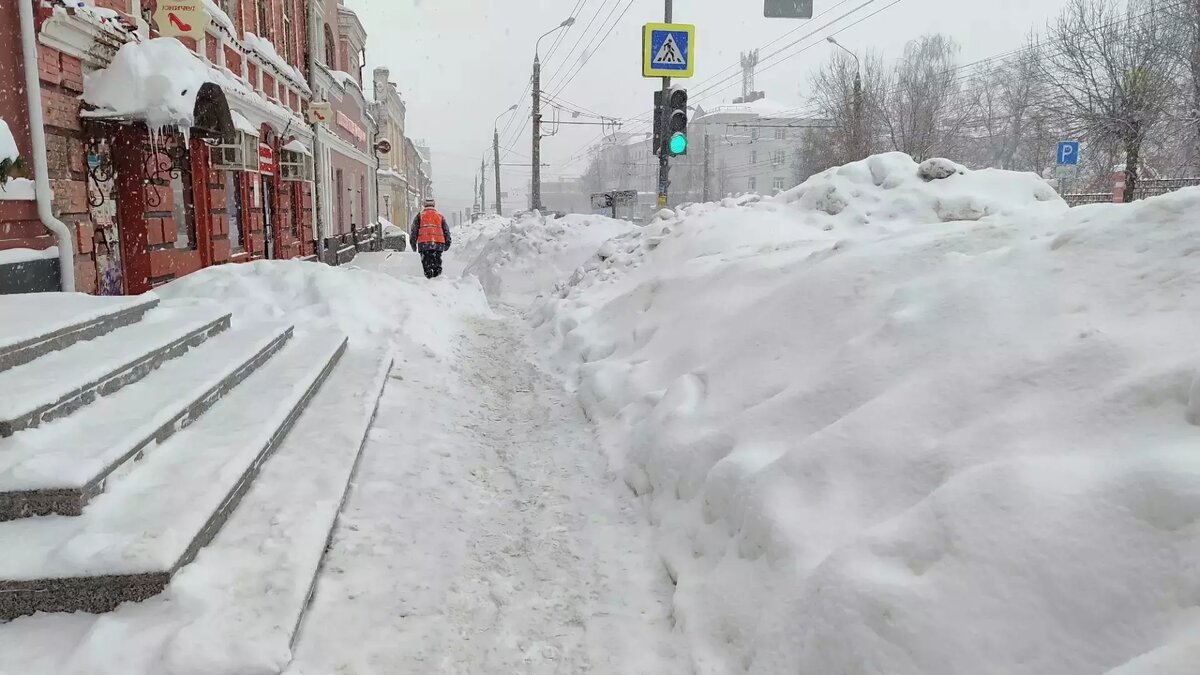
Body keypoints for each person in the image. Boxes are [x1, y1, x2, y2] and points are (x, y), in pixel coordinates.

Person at [410, 198, 451, 279]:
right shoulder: (440, 216)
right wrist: (447, 243)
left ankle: (428, 278)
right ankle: (437, 277)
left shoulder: (420, 216)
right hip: (438, 244)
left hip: (424, 244)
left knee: (426, 262)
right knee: (437, 260)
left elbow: (414, 231)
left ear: (424, 205)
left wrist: (413, 244)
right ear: (434, 205)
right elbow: (446, 230)